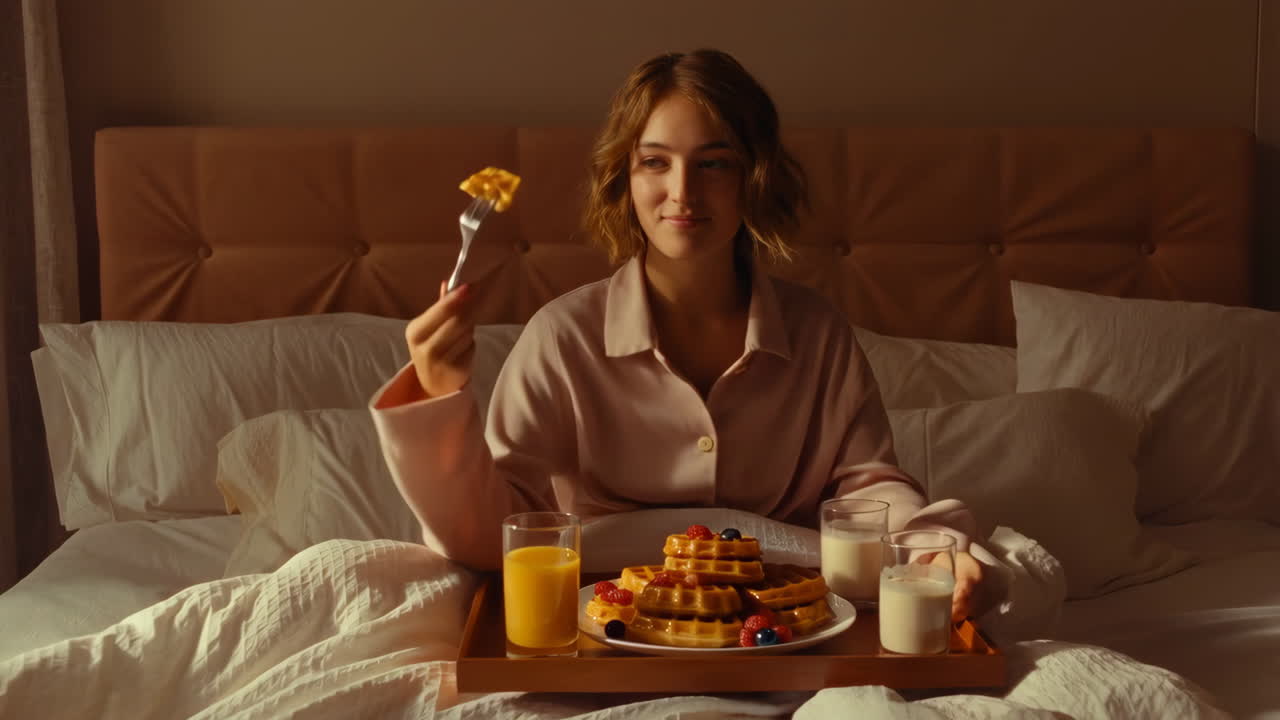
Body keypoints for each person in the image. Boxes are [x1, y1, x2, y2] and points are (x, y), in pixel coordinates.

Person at [371, 48, 995, 621]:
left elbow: (870, 487)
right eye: (654, 162)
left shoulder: (819, 334)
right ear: (626, 177)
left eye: (714, 164)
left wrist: (926, 552)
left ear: (755, 176)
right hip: (600, 631)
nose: (683, 192)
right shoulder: (562, 338)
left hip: (785, 631)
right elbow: (494, 535)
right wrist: (437, 393)